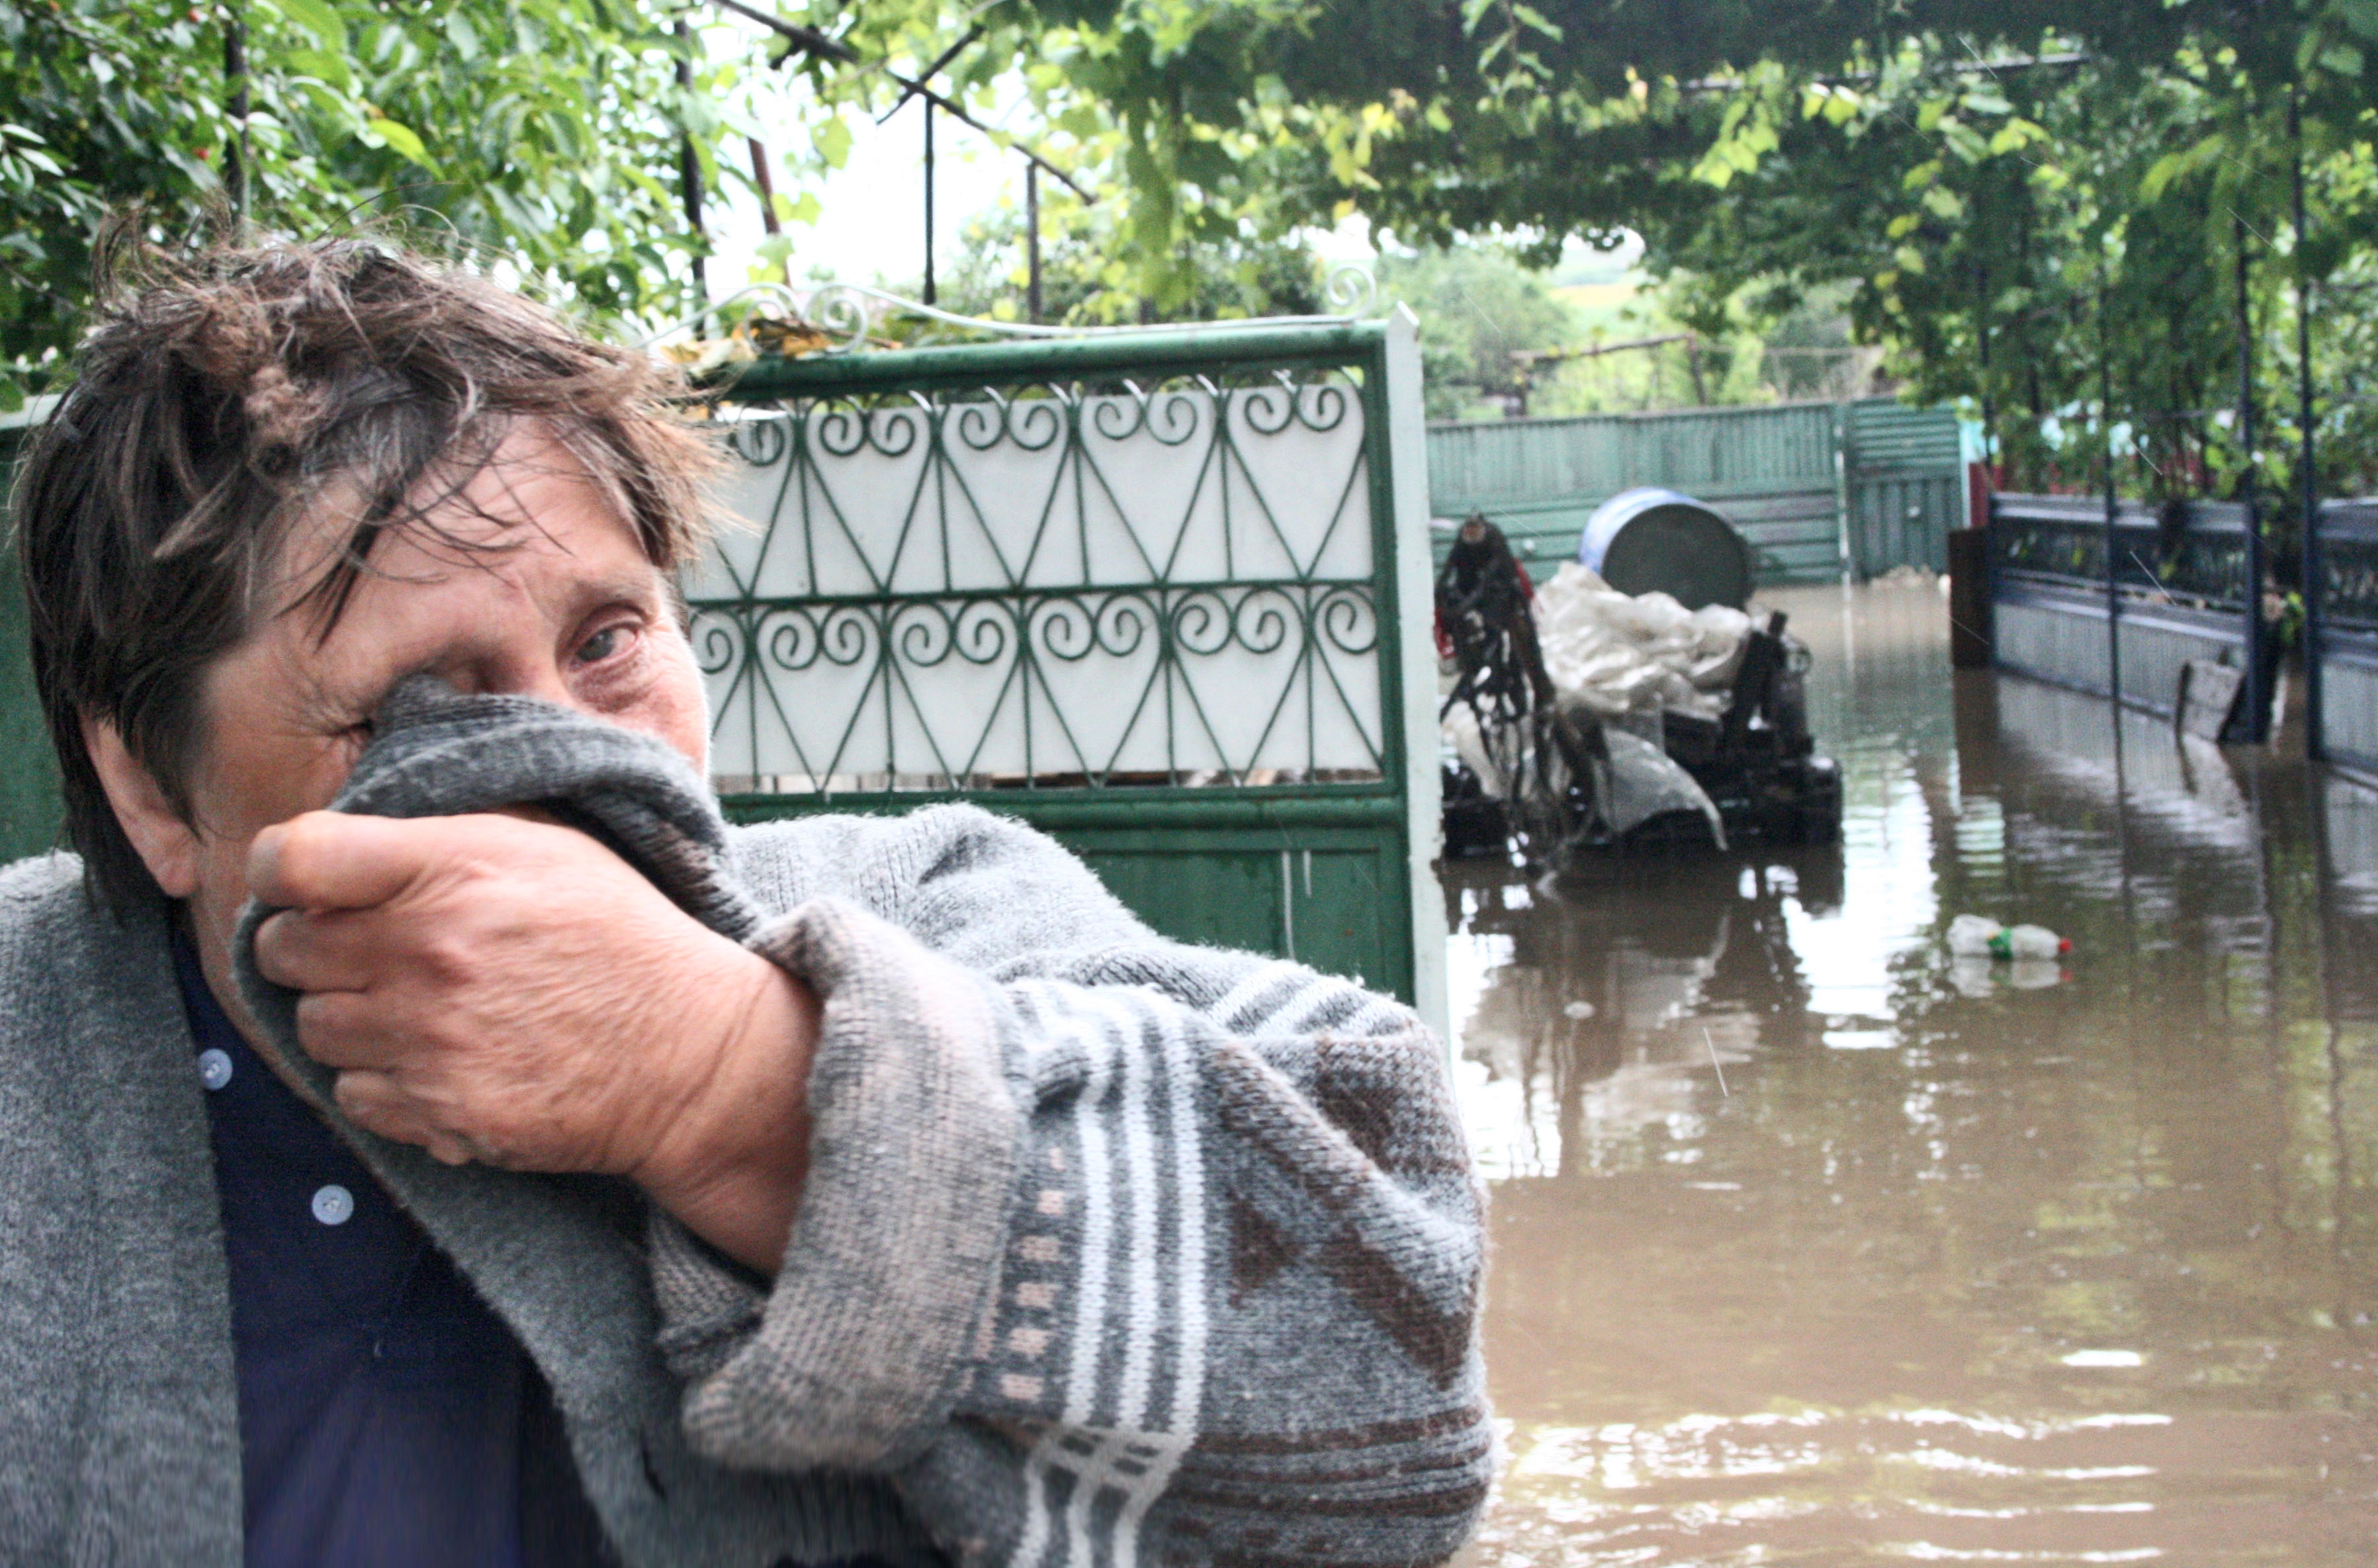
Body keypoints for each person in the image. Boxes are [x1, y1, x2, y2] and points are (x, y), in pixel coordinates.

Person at [0, 235, 1489, 1568]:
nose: (568, 761)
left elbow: (1401, 1395)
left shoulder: (929, 903)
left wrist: (726, 1081)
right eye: (412, 704)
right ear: (151, 794)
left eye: (607, 642)